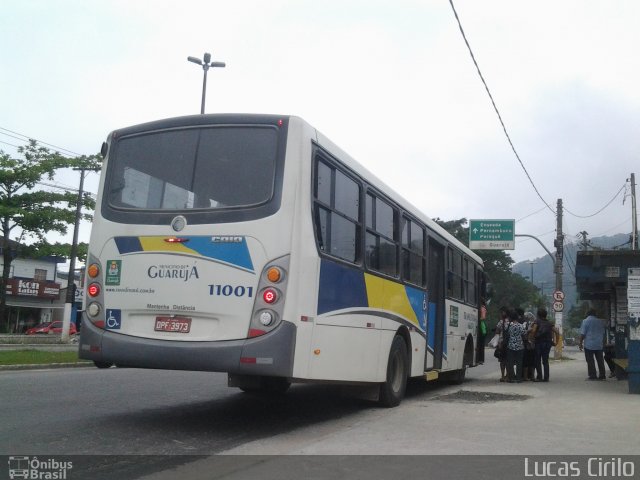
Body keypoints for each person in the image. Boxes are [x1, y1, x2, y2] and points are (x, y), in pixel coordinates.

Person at [529, 308, 558, 382]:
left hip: (539, 343)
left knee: (537, 360)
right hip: (548, 343)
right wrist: (556, 342)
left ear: (538, 315)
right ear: (546, 315)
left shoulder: (537, 321)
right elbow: (557, 332)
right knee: (545, 360)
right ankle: (546, 377)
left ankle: (539, 377)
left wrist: (532, 338)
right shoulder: (549, 323)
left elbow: (534, 330)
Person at [578, 308, 606, 381]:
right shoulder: (600, 321)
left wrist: (580, 343)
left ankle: (593, 375)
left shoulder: (585, 321)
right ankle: (602, 375)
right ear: (595, 314)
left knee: (590, 360)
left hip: (589, 344)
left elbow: (583, 334)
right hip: (599, 344)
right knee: (600, 360)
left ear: (587, 314)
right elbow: (603, 333)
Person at [505, 309, 526, 383]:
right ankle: (518, 378)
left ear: (511, 317)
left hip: (510, 345)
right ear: (517, 317)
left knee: (510, 362)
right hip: (520, 346)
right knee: (519, 363)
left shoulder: (508, 325)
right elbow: (524, 333)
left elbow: (506, 332)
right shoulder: (521, 326)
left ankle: (511, 378)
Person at [494, 307, 510, 382]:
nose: (501, 314)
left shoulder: (501, 322)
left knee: (502, 360)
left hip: (501, 343)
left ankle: (503, 376)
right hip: (509, 344)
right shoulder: (511, 322)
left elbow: (497, 332)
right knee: (508, 360)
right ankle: (507, 375)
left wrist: (497, 343)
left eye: (502, 312)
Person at [522, 311, 536, 381]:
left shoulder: (524, 324)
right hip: (532, 345)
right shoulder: (534, 324)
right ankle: (532, 376)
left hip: (526, 345)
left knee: (526, 361)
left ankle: (526, 376)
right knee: (532, 361)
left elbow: (523, 333)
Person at [477, 300, 488, 364]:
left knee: (480, 344)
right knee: (480, 344)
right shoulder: (482, 307)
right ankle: (480, 359)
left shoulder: (482, 308)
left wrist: (477, 319)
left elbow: (483, 317)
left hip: (481, 327)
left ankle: (481, 359)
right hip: (481, 327)